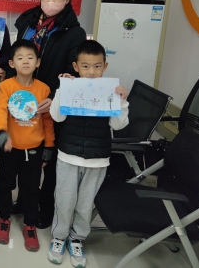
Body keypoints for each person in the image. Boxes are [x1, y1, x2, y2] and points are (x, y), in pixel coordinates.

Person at [11, 0, 86, 229]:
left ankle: (45, 208)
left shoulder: (74, 33)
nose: (51, 1)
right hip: (24, 99)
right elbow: (18, 56)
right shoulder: (28, 22)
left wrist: (53, 97)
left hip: (51, 104)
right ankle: (23, 201)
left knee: (49, 159)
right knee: (26, 155)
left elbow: (73, 72)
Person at [47, 40, 129, 268]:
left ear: (105, 66)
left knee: (85, 204)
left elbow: (119, 125)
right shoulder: (71, 87)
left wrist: (122, 102)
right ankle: (59, 237)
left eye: (97, 66)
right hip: (68, 156)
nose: (91, 72)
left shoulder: (110, 92)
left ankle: (77, 239)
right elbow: (57, 117)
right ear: (76, 66)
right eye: (85, 66)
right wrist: (62, 89)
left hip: (98, 159)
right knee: (64, 200)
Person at [0, 40, 54, 251]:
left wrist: (49, 146)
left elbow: (47, 120)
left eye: (30, 58)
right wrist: (2, 133)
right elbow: (0, 111)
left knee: (31, 188)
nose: (25, 62)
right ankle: (4, 218)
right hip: (10, 147)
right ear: (12, 63)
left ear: (38, 62)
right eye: (20, 58)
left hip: (34, 149)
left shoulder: (43, 89)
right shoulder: (6, 86)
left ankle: (30, 224)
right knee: (4, 184)